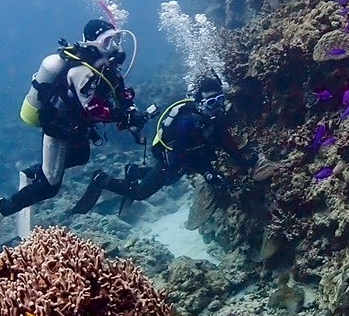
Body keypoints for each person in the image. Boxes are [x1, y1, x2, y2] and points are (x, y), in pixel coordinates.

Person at [0, 19, 145, 250]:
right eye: (108, 41)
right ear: (93, 43)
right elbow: (93, 109)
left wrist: (130, 111)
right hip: (58, 129)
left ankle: (33, 172)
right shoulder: (82, 71)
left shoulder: (107, 69)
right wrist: (124, 117)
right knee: (50, 186)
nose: (115, 46)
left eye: (117, 39)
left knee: (81, 157)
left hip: (76, 128)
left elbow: (121, 93)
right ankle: (1, 208)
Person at [70, 72, 252, 216]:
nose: (217, 107)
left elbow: (224, 140)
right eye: (211, 103)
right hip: (170, 157)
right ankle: (101, 179)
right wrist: (207, 172)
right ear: (199, 103)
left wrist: (242, 159)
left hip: (187, 155)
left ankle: (134, 170)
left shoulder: (217, 118)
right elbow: (179, 158)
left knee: (171, 179)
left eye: (219, 100)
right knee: (142, 192)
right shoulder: (186, 123)